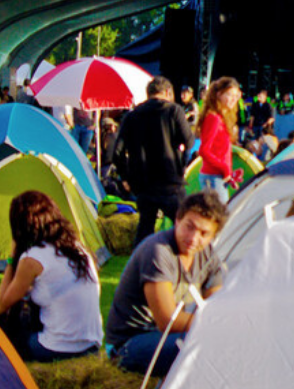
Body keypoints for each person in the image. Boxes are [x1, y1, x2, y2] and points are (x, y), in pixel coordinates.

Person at [106, 192, 228, 375]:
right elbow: (167, 320)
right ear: (177, 220)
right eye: (189, 227)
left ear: (213, 236)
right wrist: (216, 324)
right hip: (129, 344)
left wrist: (224, 324)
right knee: (203, 346)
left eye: (204, 233)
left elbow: (215, 305)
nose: (194, 238)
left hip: (166, 337)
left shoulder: (208, 255)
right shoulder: (158, 250)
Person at [0, 191, 102, 361]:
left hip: (57, 348)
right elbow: (31, 293)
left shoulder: (33, 258)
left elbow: (3, 305)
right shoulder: (78, 249)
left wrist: (12, 256)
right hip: (91, 345)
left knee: (3, 328)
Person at [114, 76, 196, 247]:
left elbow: (117, 153)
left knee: (145, 228)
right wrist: (182, 164)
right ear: (167, 92)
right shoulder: (174, 111)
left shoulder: (132, 116)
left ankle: (140, 265)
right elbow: (189, 141)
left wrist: (126, 177)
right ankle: (180, 263)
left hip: (143, 183)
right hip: (171, 180)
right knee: (182, 225)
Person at [197, 77, 242, 205]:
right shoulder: (214, 118)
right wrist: (224, 168)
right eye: (229, 94)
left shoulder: (222, 118)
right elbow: (204, 150)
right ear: (219, 95)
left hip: (218, 177)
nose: (233, 99)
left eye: (236, 95)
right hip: (213, 176)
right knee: (220, 218)